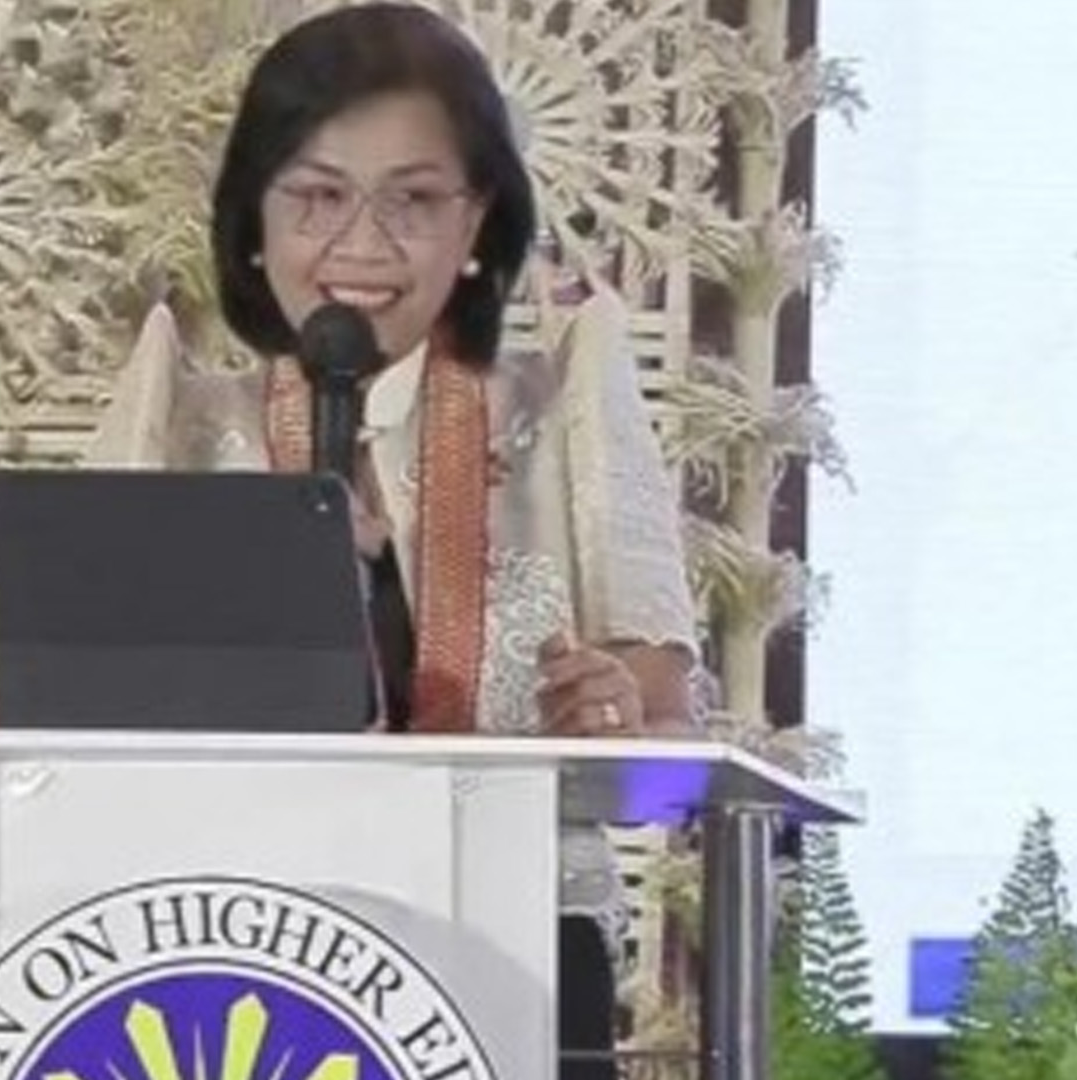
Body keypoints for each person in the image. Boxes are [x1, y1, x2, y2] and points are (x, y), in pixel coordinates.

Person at [87, 4, 700, 1075]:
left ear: (477, 226)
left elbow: (671, 748)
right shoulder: (178, 426)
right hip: (224, 962)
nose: (362, 244)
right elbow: (55, 715)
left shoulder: (560, 413)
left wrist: (615, 711)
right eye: (320, 196)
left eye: (413, 199)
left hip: (517, 958)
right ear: (253, 218)